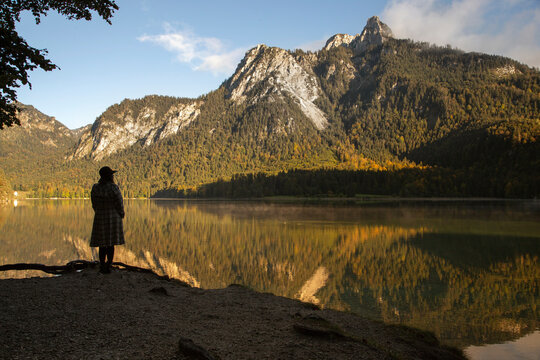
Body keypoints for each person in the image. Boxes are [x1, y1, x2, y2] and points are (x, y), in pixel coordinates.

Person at [90, 166, 125, 274]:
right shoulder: (113, 188)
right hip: (112, 217)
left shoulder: (95, 188)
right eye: (111, 174)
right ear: (109, 176)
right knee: (110, 243)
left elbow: (94, 204)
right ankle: (109, 265)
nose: (112, 176)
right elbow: (119, 202)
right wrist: (121, 213)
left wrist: (99, 211)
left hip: (100, 216)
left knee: (102, 243)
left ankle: (102, 265)